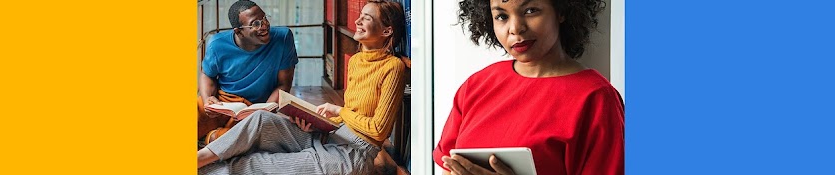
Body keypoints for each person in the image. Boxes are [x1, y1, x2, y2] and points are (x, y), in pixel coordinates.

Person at [196, 0, 408, 174]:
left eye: (366, 18)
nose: (357, 20)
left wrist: (339, 111)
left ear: (387, 30)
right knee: (260, 119)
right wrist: (318, 123)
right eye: (360, 15)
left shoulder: (393, 67)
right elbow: (350, 115)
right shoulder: (356, 60)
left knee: (251, 164)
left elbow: (379, 131)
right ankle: (199, 158)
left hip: (353, 154)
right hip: (331, 136)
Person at [433, 0, 623, 174]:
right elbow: (447, 167)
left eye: (530, 11)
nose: (515, 28)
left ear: (561, 10)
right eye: (502, 16)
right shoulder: (476, 85)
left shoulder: (596, 98)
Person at [197, 0, 298, 140]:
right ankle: (214, 138)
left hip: (255, 108)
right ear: (239, 32)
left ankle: (213, 138)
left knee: (243, 136)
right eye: (255, 23)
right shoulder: (217, 43)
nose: (265, 26)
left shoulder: (283, 38)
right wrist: (208, 98)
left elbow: (284, 84)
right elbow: (207, 75)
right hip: (223, 102)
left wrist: (265, 112)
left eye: (264, 18)